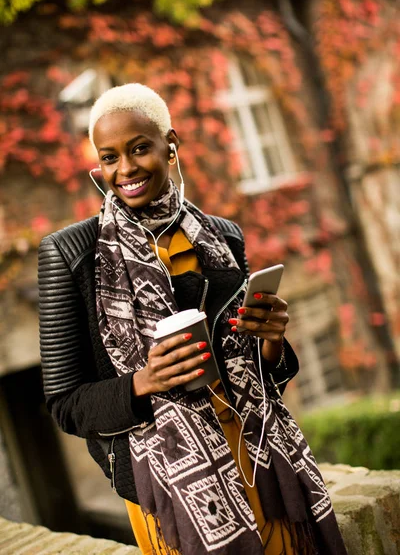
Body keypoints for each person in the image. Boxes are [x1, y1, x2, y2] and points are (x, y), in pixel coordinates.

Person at [38, 83, 347, 555]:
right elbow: (65, 404)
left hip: (258, 458)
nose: (126, 169)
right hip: (169, 488)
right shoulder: (72, 254)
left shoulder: (222, 239)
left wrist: (271, 341)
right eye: (110, 157)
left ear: (171, 145)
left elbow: (262, 379)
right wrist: (143, 381)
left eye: (140, 148)